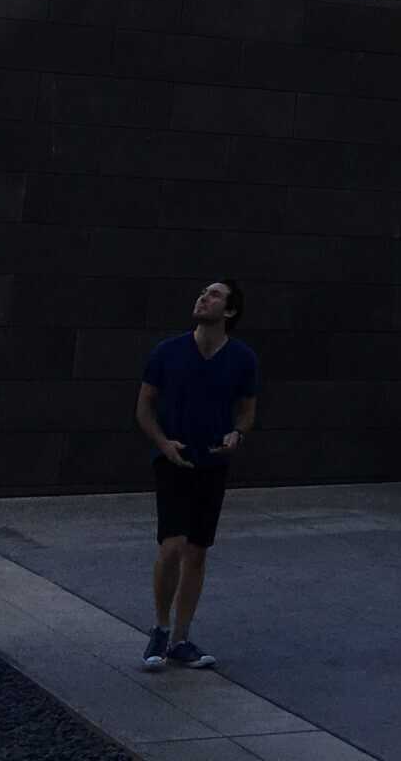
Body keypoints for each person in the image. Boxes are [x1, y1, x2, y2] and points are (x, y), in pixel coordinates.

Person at [133, 280, 258, 670]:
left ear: (230, 311)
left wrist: (237, 434)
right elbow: (144, 407)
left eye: (215, 295)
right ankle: (159, 629)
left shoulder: (242, 358)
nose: (204, 297)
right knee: (171, 546)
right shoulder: (167, 352)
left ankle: (182, 638)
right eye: (203, 292)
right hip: (173, 461)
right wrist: (163, 443)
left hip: (213, 464)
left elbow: (247, 411)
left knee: (197, 552)